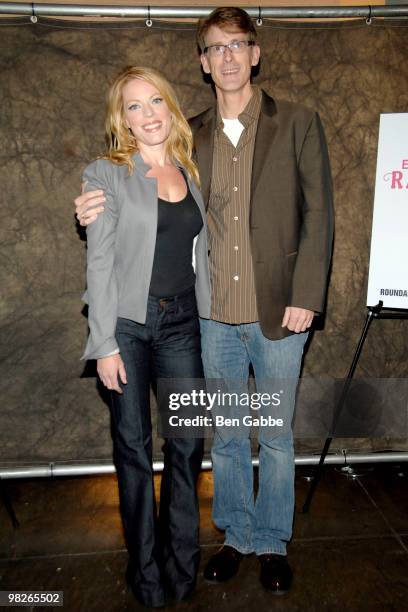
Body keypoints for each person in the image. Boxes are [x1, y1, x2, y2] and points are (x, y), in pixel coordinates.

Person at [76, 7, 333, 596]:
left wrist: (307, 295)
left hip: (279, 311)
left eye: (239, 45)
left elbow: (319, 214)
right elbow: (131, 191)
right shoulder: (189, 136)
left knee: (273, 430)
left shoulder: (298, 122)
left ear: (256, 53)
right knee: (224, 432)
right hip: (209, 316)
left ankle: (271, 542)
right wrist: (91, 202)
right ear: (202, 62)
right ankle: (236, 536)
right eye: (216, 48)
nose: (229, 57)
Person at [80, 66, 211, 608]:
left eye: (155, 100)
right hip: (129, 327)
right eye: (134, 106)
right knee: (133, 450)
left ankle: (183, 568)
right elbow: (100, 262)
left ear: (170, 106)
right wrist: (104, 343)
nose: (147, 113)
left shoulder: (189, 168)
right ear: (123, 120)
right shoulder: (105, 173)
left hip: (184, 323)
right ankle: (147, 575)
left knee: (185, 445)